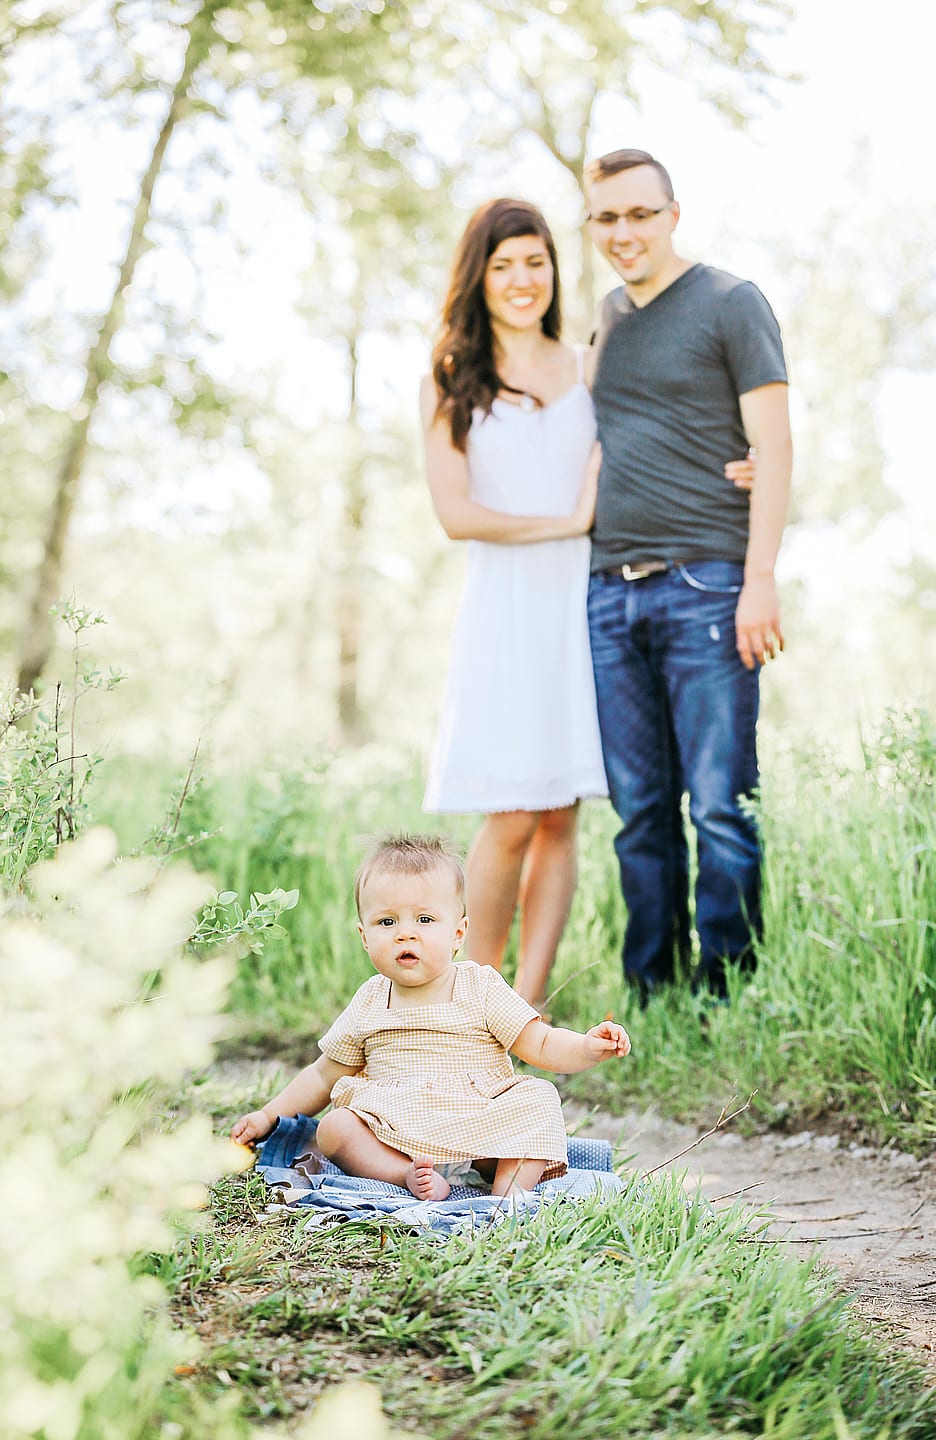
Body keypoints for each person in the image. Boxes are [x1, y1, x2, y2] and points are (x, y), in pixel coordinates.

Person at [420, 198, 755, 1011]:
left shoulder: (589, 364)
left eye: (535, 261)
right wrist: (564, 522)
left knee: (561, 814)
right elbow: (455, 514)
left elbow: (658, 432)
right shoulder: (450, 377)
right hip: (508, 611)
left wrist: (740, 464)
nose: (522, 279)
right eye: (503, 265)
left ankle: (523, 1015)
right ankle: (472, 1003)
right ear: (479, 276)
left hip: (588, 605)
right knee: (511, 813)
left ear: (554, 270)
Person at [583, 148, 793, 1001]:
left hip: (707, 582)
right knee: (639, 813)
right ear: (593, 226)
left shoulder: (730, 302)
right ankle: (652, 995)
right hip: (607, 591)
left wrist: (761, 576)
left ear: (673, 214)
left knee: (717, 805)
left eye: (640, 213)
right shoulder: (607, 317)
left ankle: (728, 994)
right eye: (607, 218)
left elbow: (773, 445)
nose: (624, 232)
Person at [231, 834, 631, 1200]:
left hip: (477, 1128)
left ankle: (507, 1200)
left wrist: (585, 1046)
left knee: (538, 1099)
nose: (406, 934)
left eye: (424, 920)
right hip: (397, 1129)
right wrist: (269, 1115)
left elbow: (540, 1043)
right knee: (334, 1128)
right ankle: (407, 1175)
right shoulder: (371, 999)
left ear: (458, 934)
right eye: (387, 922)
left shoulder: (480, 985)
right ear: (364, 936)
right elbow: (323, 1075)